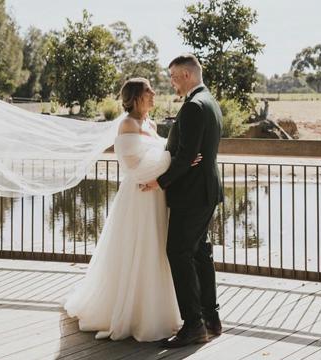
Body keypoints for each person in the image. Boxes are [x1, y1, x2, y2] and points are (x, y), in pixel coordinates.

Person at [64, 77, 201, 342]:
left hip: (156, 195)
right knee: (136, 249)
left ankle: (158, 309)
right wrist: (177, 161)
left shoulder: (149, 123)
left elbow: (161, 153)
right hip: (139, 196)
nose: (153, 93)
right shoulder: (127, 124)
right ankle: (133, 313)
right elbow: (131, 165)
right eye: (148, 90)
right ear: (136, 96)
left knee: (156, 250)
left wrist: (182, 161)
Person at [143, 54, 224, 347]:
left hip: (191, 194)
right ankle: (211, 318)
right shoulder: (210, 102)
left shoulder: (192, 107)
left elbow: (187, 155)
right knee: (200, 252)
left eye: (174, 78)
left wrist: (159, 181)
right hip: (206, 190)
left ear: (187, 75)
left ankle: (193, 326)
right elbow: (192, 153)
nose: (172, 84)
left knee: (178, 253)